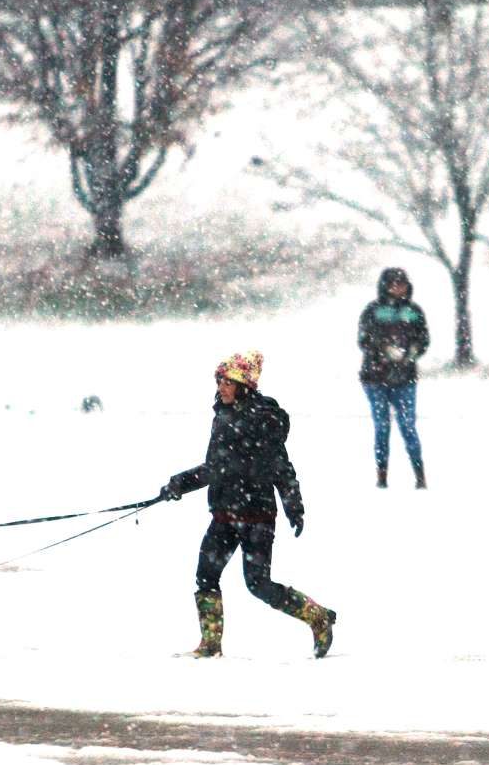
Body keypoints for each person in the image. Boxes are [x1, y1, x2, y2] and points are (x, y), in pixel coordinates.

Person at [159, 351, 336, 659]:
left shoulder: (262, 420)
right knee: (206, 575)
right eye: (219, 381)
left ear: (244, 386)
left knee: (258, 584)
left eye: (228, 382)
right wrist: (178, 484)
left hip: (257, 516)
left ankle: (318, 616)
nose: (221, 387)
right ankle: (210, 644)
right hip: (224, 513)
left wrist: (294, 506)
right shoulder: (222, 416)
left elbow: (281, 468)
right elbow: (215, 468)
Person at [358, 268, 430, 489]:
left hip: (405, 378)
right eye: (394, 284)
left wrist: (412, 352)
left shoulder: (414, 311)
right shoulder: (372, 311)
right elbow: (364, 339)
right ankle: (382, 475)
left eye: (402, 284)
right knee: (382, 426)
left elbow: (423, 338)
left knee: (408, 426)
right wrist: (383, 350)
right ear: (385, 286)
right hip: (375, 378)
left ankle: (419, 475)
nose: (399, 288)